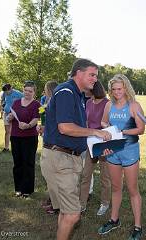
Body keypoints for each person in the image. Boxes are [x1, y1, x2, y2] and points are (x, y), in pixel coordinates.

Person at [40, 58, 112, 240]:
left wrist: (98, 146)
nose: (95, 79)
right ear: (78, 73)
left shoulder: (78, 94)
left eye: (96, 75)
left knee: (66, 213)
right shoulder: (66, 91)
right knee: (73, 214)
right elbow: (65, 127)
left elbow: (75, 133)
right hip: (60, 159)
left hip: (66, 158)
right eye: (92, 75)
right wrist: (96, 131)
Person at [97, 74, 145, 240]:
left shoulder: (134, 106)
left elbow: (140, 129)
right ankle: (114, 219)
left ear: (126, 88)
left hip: (130, 150)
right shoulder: (109, 105)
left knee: (133, 189)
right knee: (116, 187)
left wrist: (120, 131)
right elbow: (103, 123)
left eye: (120, 88)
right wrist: (108, 129)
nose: (117, 92)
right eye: (114, 89)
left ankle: (138, 226)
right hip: (113, 150)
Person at [80, 81, 111, 215]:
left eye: (87, 88)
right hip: (90, 143)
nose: (84, 90)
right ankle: (81, 204)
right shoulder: (88, 102)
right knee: (85, 175)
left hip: (103, 144)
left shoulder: (107, 103)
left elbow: (109, 124)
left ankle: (105, 203)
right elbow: (87, 123)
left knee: (105, 177)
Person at [7, 81, 40, 198]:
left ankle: (27, 190)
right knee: (17, 163)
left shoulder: (36, 104)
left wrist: (28, 125)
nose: (27, 93)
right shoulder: (16, 102)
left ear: (34, 93)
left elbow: (35, 119)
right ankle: (18, 189)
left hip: (29, 137)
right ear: (23, 90)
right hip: (15, 137)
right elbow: (11, 115)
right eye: (25, 90)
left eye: (30, 91)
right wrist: (10, 117)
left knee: (28, 163)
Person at [37, 80, 59, 215]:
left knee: (52, 176)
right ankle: (53, 200)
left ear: (49, 90)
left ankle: (57, 205)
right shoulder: (48, 102)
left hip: (54, 144)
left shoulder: (55, 103)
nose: (44, 92)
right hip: (49, 141)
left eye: (45, 89)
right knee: (49, 175)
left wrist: (44, 127)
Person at [1, 84, 23, 152]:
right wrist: (3, 106)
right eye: (5, 91)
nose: (6, 92)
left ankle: (17, 147)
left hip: (15, 115)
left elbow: (24, 102)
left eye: (7, 91)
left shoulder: (18, 94)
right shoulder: (4, 93)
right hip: (6, 114)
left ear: (11, 88)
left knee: (15, 132)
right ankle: (6, 147)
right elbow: (3, 101)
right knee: (7, 131)